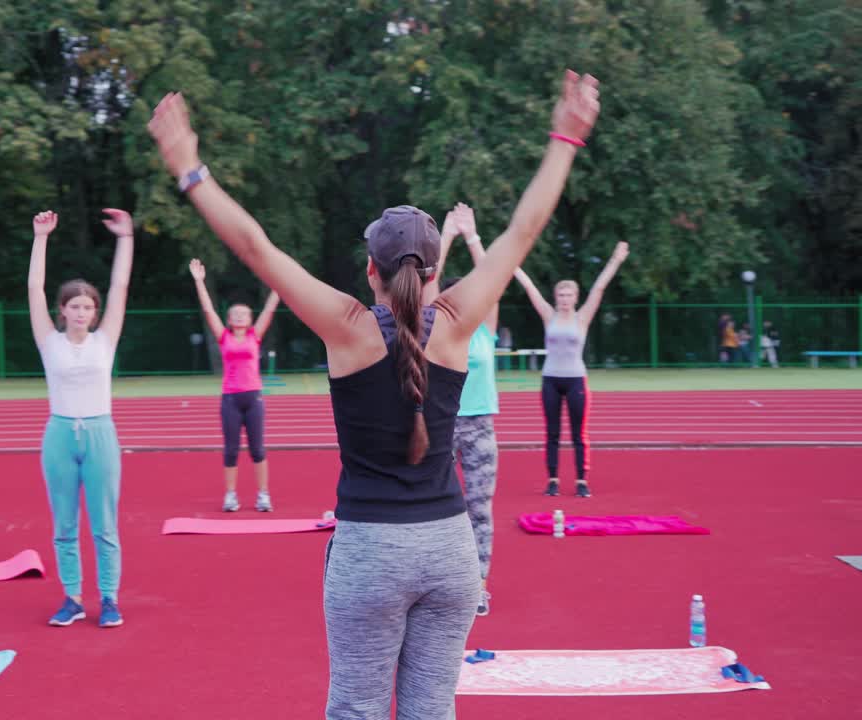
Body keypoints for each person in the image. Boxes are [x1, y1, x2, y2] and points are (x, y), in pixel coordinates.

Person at [148, 69, 600, 719]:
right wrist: (565, 138)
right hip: (450, 551)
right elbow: (523, 232)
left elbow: (255, 248)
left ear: (370, 270)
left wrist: (190, 169)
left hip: (370, 551)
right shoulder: (456, 322)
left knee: (357, 710)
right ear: (436, 270)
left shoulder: (348, 328)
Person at [28, 208, 133, 628]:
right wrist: (41, 238)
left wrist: (125, 238)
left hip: (100, 434)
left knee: (104, 525)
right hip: (59, 436)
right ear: (63, 310)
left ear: (94, 312)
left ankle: (109, 598)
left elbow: (120, 286)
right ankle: (72, 598)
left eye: (88, 306)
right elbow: (34, 288)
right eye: (74, 306)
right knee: (64, 525)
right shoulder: (48, 341)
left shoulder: (105, 340)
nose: (81, 312)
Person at [513, 242, 629, 498]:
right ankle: (553, 480)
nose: (564, 299)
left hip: (576, 379)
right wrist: (512, 263)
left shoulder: (582, 317)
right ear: (556, 297)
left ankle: (581, 481)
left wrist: (616, 260)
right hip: (550, 380)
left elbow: (599, 288)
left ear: (575, 298)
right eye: (561, 295)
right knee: (552, 433)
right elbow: (530, 287)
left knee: (579, 434)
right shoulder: (548, 315)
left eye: (569, 295)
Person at [433, 202, 499, 617]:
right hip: (440, 425)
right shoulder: (436, 328)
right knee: (434, 508)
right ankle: (435, 582)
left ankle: (478, 587)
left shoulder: (485, 330)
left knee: (479, 509)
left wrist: (472, 236)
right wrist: (445, 236)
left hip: (480, 428)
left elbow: (492, 275)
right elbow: (426, 283)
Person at [188, 258, 281, 512]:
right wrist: (199, 282)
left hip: (253, 399)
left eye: (244, 313)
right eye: (235, 313)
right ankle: (230, 495)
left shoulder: (255, 335)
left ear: (250, 319)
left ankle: (263, 495)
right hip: (230, 399)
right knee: (230, 450)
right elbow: (208, 310)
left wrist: (278, 283)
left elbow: (269, 309)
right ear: (228, 319)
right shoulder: (223, 337)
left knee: (257, 449)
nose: (239, 316)